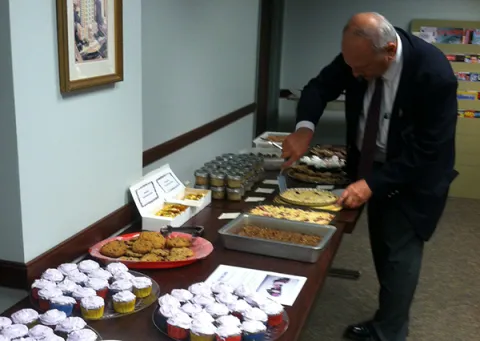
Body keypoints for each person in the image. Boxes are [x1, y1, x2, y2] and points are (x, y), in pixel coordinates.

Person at [282, 12, 458, 341]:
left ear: (389, 50)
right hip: (370, 164)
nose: (353, 74)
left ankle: (390, 332)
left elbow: (428, 150)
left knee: (398, 252)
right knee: (381, 240)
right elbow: (319, 88)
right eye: (350, 65)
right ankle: (387, 319)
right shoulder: (358, 55)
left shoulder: (433, 73)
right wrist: (305, 128)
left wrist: (373, 184)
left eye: (361, 68)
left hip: (414, 174)